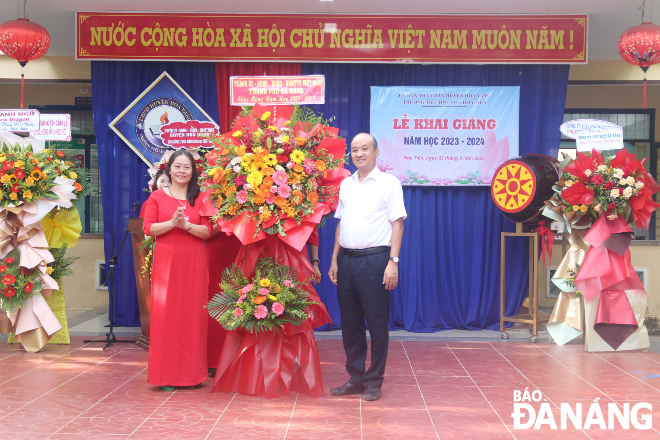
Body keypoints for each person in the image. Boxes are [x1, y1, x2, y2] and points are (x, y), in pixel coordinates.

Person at [328, 133, 406, 402]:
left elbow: (397, 223)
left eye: (364, 149)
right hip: (347, 261)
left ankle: (374, 380)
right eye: (354, 150)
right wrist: (334, 260)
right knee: (350, 324)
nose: (359, 154)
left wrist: (392, 262)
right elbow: (340, 223)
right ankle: (356, 377)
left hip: (376, 261)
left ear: (376, 151)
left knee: (376, 323)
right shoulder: (346, 185)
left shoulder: (389, 183)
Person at [142, 150, 213, 390]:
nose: (182, 171)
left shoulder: (201, 198)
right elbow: (149, 229)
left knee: (193, 317)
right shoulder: (157, 198)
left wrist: (186, 225)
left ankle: (192, 376)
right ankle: (165, 377)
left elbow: (208, 232)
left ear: (193, 172)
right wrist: (172, 223)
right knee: (166, 318)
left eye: (187, 167)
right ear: (169, 169)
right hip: (166, 264)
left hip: (194, 262)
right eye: (178, 166)